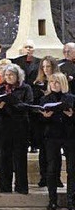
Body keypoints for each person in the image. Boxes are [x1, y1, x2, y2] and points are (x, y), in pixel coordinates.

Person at [0, 64, 32, 194]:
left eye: (11, 75)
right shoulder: (0, 88)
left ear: (17, 76)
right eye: (6, 75)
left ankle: (21, 187)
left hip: (20, 125)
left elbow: (28, 105)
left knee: (20, 156)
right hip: (3, 125)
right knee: (4, 156)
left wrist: (11, 103)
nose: (8, 77)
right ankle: (4, 186)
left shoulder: (25, 88)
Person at [39, 73, 75, 210]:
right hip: (52, 137)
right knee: (52, 168)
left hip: (69, 136)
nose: (54, 84)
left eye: (57, 82)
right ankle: (52, 200)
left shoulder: (71, 99)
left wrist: (72, 116)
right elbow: (40, 121)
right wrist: (46, 117)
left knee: (72, 169)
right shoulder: (45, 99)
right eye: (52, 82)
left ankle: (71, 200)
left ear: (63, 83)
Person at [32, 56, 62, 187]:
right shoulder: (37, 83)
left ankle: (57, 178)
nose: (45, 69)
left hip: (57, 121)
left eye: (48, 66)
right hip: (41, 121)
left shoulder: (59, 81)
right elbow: (33, 103)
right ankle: (44, 177)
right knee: (43, 151)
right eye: (43, 67)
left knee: (56, 153)